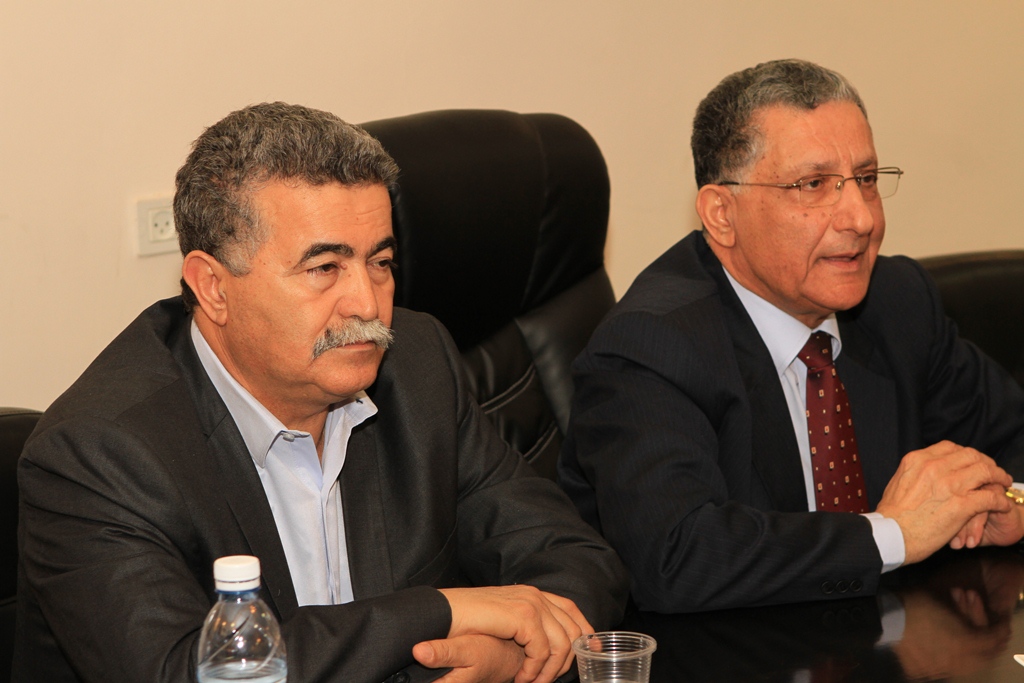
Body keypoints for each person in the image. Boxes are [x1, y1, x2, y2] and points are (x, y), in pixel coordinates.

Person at [15, 102, 629, 683]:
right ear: (213, 288)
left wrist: (508, 654)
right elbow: (193, 673)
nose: (367, 304)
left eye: (380, 262)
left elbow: (577, 558)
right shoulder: (98, 454)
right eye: (324, 268)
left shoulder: (417, 364)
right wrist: (441, 612)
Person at [559, 59, 1024, 613]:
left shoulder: (898, 301)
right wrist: (895, 534)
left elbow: (1012, 435)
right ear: (721, 214)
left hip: (887, 642)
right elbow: (677, 556)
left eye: (867, 180)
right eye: (814, 185)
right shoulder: (651, 346)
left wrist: (1009, 501)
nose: (860, 218)